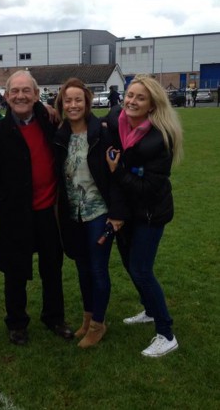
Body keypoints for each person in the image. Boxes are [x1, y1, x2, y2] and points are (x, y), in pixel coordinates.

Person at [0, 70, 74, 345]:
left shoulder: (49, 121)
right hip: (15, 214)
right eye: (15, 91)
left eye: (26, 91)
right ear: (6, 96)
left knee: (52, 268)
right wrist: (1, 206)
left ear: (36, 95)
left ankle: (54, 316)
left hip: (48, 211)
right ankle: (17, 322)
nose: (20, 95)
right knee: (15, 271)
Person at [106, 74, 183, 357]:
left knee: (141, 269)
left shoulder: (159, 139)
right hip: (129, 211)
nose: (132, 101)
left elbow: (149, 188)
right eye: (129, 95)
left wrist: (118, 171)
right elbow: (99, 119)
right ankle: (150, 310)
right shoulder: (118, 117)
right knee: (129, 264)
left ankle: (166, 333)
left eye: (140, 97)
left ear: (152, 105)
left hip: (151, 212)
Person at [53, 78, 127, 348]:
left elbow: (116, 175)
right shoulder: (60, 135)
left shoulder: (102, 132)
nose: (73, 105)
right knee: (83, 269)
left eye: (78, 100)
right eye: (68, 100)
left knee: (97, 269)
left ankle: (98, 323)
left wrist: (116, 214)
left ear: (87, 103)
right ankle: (87, 319)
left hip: (99, 213)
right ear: (62, 104)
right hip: (73, 215)